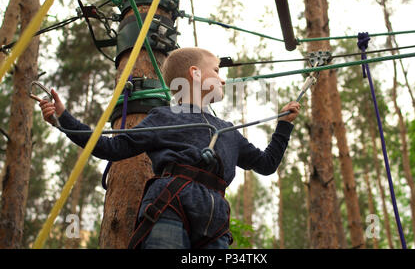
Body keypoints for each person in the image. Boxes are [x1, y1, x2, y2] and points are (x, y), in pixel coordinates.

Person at [39, 47, 300, 249]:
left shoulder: (228, 131)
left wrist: (283, 126)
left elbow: (266, 165)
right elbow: (110, 147)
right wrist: (64, 119)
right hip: (170, 204)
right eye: (217, 71)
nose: (222, 80)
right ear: (195, 73)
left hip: (216, 217)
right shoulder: (164, 117)